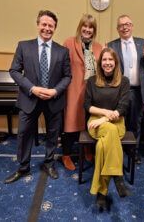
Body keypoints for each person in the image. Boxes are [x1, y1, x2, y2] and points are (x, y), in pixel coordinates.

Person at [4, 10, 71, 184]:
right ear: (38, 25)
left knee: (52, 134)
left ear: (55, 28)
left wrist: (55, 91)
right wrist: (32, 88)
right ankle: (23, 167)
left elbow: (67, 76)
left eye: (51, 26)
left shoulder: (62, 51)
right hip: (29, 99)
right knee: (24, 134)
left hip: (53, 100)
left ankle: (49, 163)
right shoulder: (24, 46)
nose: (47, 28)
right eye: (44, 24)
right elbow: (14, 71)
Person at [84, 47, 131, 210]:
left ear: (115, 62)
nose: (107, 63)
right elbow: (87, 106)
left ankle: (101, 192)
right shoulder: (92, 81)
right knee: (109, 132)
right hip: (95, 122)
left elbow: (123, 107)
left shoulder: (124, 81)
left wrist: (105, 118)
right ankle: (117, 175)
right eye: (104, 59)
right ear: (100, 62)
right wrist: (103, 113)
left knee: (102, 145)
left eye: (111, 59)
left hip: (117, 121)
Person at [108, 15, 144, 164]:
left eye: (127, 24)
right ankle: (118, 151)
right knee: (118, 122)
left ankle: (133, 152)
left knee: (136, 123)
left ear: (132, 26)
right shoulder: (111, 45)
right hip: (119, 92)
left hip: (137, 91)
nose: (125, 27)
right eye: (121, 25)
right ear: (117, 29)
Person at [62, 14, 102, 171]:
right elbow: (62, 66)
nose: (87, 29)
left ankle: (87, 148)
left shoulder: (98, 47)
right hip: (73, 89)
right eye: (85, 26)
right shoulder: (69, 43)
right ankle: (66, 154)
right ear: (80, 27)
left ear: (94, 30)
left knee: (89, 121)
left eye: (91, 27)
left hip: (92, 92)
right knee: (71, 123)